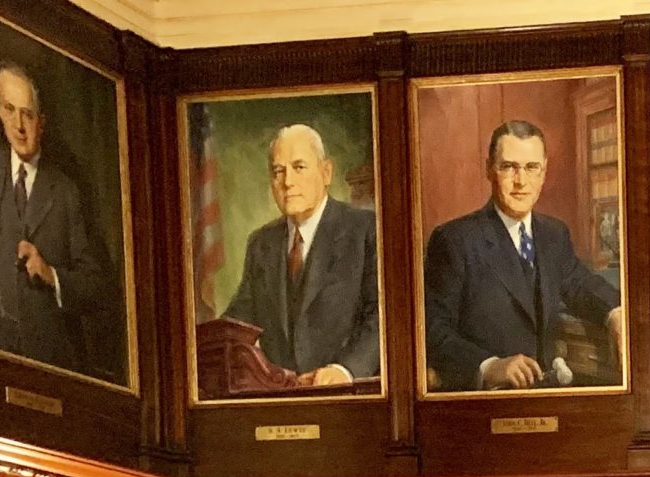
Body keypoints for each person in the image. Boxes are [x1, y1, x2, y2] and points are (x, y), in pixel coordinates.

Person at [423, 120, 622, 391]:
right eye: (509, 167)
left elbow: (579, 283)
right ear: (489, 170)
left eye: (531, 168)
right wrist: (488, 365)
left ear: (544, 172)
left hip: (547, 395)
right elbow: (432, 330)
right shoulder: (454, 240)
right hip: (483, 403)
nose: (521, 181)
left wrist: (615, 312)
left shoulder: (554, 234)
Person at [0, 61, 115, 377]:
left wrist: (51, 275)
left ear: (42, 123)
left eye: (28, 114)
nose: (18, 125)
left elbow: (97, 285)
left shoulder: (66, 191)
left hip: (51, 356)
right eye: (10, 109)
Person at [220, 123, 381, 389]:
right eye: (278, 171)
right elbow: (240, 320)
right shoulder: (262, 243)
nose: (288, 182)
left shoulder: (366, 230)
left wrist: (346, 369)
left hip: (349, 394)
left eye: (299, 167)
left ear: (326, 172)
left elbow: (383, 315)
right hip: (280, 397)